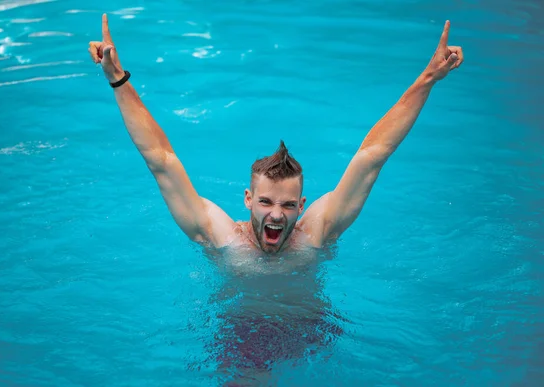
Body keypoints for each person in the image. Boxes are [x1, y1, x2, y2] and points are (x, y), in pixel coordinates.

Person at [88, 13, 463, 383]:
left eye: (287, 205)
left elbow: (373, 155)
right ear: (249, 199)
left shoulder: (317, 232)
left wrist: (428, 78)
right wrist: (118, 80)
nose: (277, 216)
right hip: (248, 336)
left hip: (315, 330)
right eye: (267, 202)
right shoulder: (221, 237)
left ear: (302, 207)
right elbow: (162, 161)